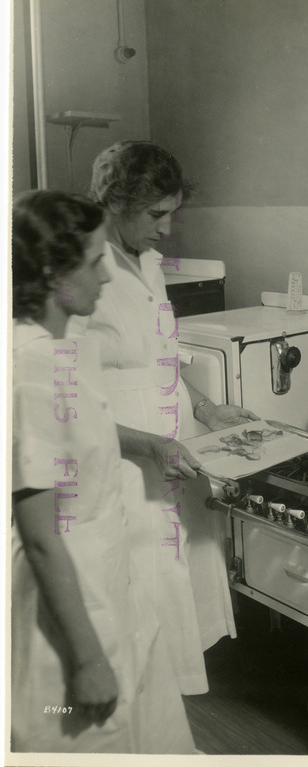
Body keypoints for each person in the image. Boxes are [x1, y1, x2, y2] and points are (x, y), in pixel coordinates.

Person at [68, 140, 258, 697]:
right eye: (156, 214)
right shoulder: (81, 269)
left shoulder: (148, 261)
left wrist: (205, 406)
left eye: (172, 213)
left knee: (177, 587)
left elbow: (162, 357)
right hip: (122, 454)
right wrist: (148, 443)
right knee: (136, 597)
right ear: (114, 201)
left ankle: (168, 718)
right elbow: (70, 402)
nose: (167, 230)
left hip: (174, 445)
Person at [11, 190, 195, 754]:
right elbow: (41, 538)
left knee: (148, 731)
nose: (107, 279)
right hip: (71, 604)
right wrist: (88, 658)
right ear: (51, 271)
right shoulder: (28, 366)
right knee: (86, 736)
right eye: (95, 264)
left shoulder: (63, 350)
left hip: (111, 579)